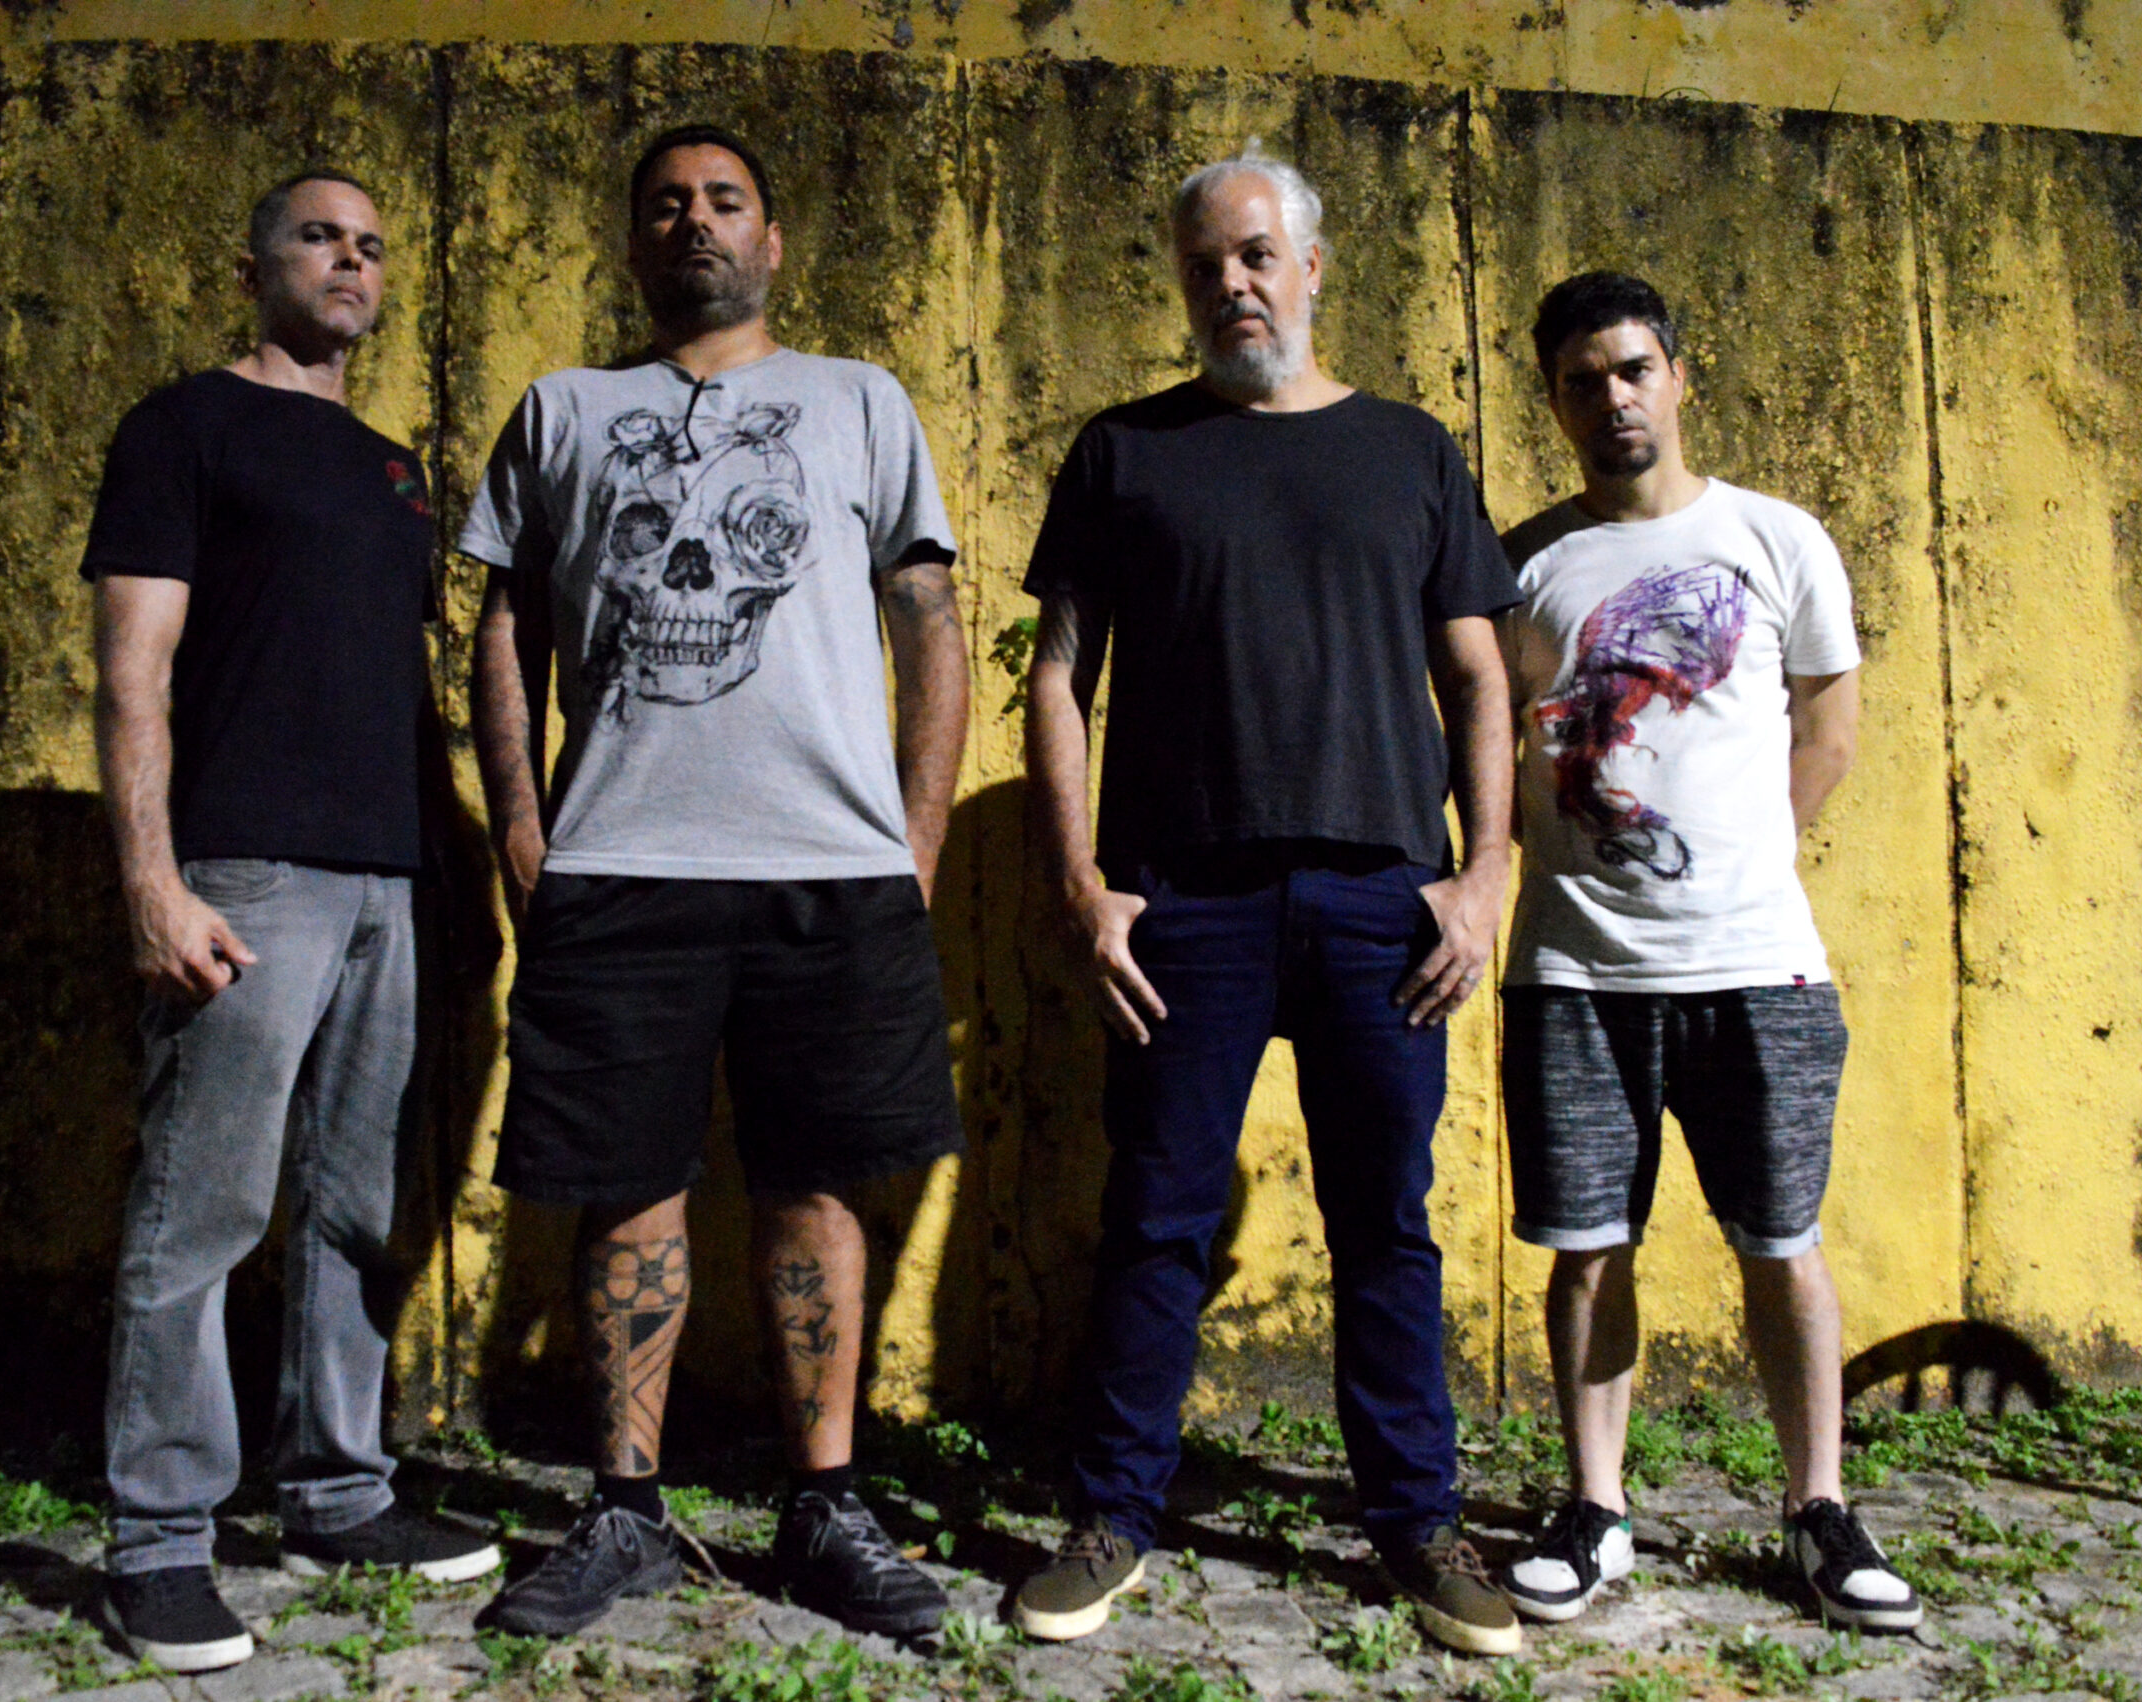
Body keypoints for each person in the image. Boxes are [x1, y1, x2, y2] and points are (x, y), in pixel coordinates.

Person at [1012, 143, 1525, 1658]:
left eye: (1255, 256)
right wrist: (1081, 883)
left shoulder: (1412, 450)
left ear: (1310, 268)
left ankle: (1420, 1525)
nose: (1231, 284)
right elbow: (1058, 678)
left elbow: (1480, 680)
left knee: (1386, 1226)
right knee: (1157, 1216)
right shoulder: (1125, 450)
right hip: (1185, 902)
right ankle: (1114, 1514)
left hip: (1384, 900)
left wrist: (1484, 873)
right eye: (1205, 265)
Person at [459, 124, 970, 1640]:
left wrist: (915, 839)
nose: (697, 221)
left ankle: (827, 1504)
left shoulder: (862, 400)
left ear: (772, 239)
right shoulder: (563, 410)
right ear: (634, 244)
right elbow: (505, 630)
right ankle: (625, 1511)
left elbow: (931, 621)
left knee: (818, 1182)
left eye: (726, 199)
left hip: (832, 872)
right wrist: (522, 829)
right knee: (626, 1185)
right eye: (667, 204)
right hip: (621, 865)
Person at [84, 171, 502, 1674]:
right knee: (201, 1208)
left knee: (354, 1206)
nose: (350, 262)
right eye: (321, 237)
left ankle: (335, 1491)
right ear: (256, 261)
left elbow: (395, 687)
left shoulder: (395, 470)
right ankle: (158, 1541)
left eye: (372, 246)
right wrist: (154, 880)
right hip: (246, 874)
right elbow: (133, 670)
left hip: (389, 880)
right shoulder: (182, 426)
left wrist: (446, 878)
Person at [1493, 271, 1917, 1633]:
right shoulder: (1522, 564)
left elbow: (1829, 730)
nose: (1612, 398)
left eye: (1633, 370)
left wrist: (1735, 864)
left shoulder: (1777, 538)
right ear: (1554, 401)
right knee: (1587, 1247)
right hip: (1574, 973)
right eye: (1582, 380)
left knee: (1783, 1244)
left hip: (1759, 965)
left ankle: (1818, 1508)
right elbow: (1486, 748)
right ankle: (1597, 1509)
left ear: (1679, 376)